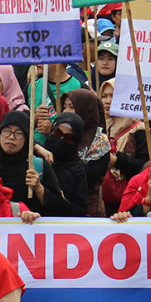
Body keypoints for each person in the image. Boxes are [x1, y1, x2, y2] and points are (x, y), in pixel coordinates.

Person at [0, 111, 74, 217]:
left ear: (27, 138)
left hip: (32, 231)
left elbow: (61, 208)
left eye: (18, 133)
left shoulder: (38, 166)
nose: (11, 137)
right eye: (6, 130)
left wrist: (39, 188)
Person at [98, 79, 147, 215]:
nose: (107, 101)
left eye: (113, 95)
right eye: (104, 96)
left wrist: (117, 161)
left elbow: (145, 165)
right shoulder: (99, 127)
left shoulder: (139, 129)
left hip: (130, 200)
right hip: (103, 200)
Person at [62, 88, 111, 216]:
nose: (66, 112)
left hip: (88, 208)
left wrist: (68, 145)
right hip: (61, 204)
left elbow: (89, 178)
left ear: (85, 109)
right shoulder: (60, 132)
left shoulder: (99, 142)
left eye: (71, 107)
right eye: (64, 107)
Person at [42, 112, 88, 216]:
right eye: (57, 133)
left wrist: (59, 201)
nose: (60, 140)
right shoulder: (36, 157)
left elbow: (80, 210)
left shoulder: (77, 170)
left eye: (69, 138)